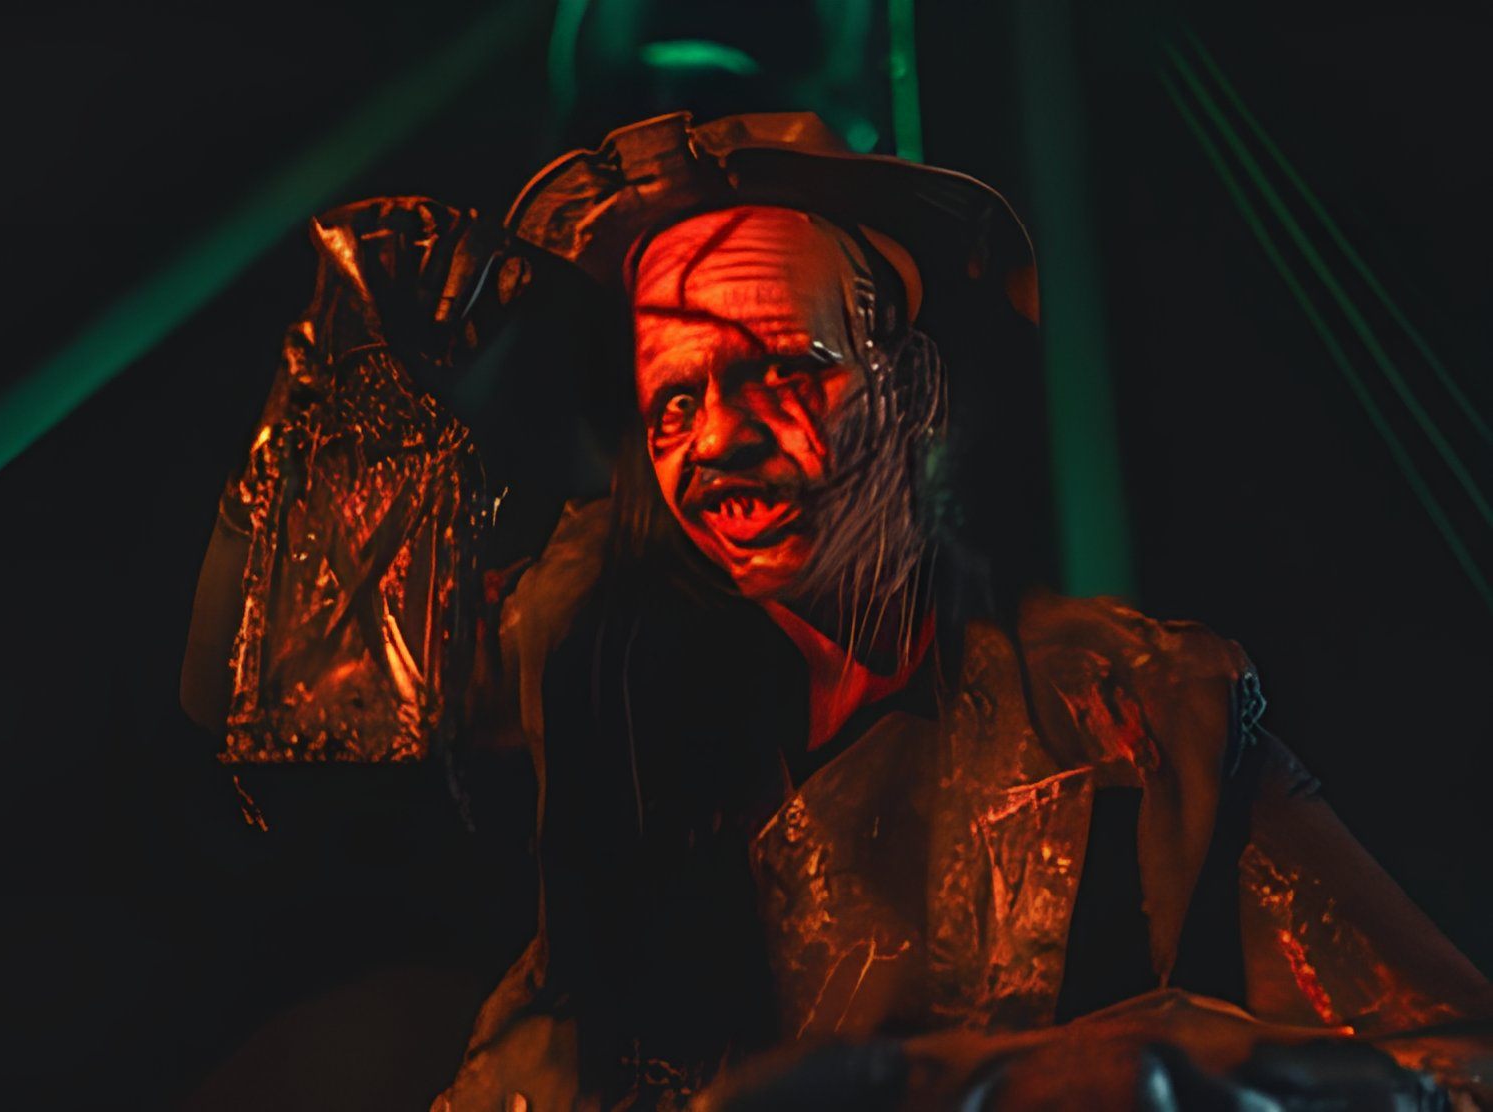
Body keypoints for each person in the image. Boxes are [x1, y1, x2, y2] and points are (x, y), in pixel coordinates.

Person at [182, 112, 1492, 1109]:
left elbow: (1453, 1060)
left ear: (909, 390)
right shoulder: (588, 649)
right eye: (675, 401)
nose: (722, 440)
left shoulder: (1129, 710)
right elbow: (287, 707)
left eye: (786, 372)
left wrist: (1145, 1071)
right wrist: (348, 384)